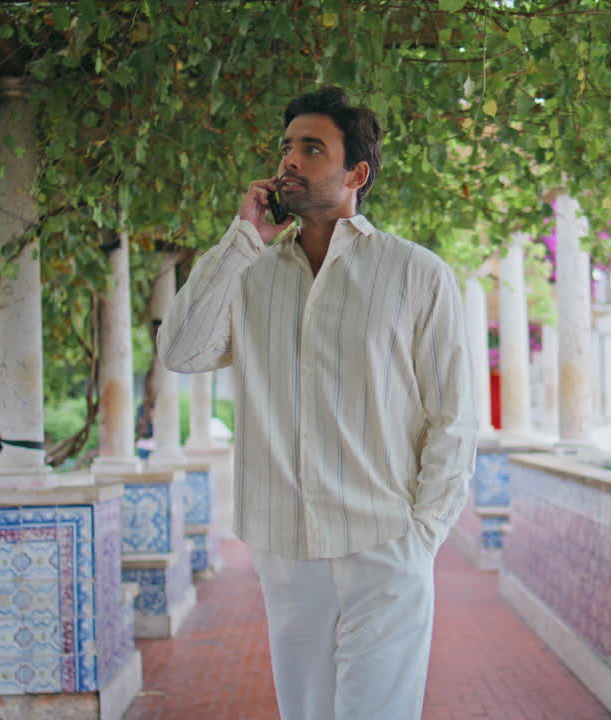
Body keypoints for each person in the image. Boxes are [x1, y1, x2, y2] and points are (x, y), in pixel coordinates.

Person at [158, 87, 478, 720]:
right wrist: (242, 238)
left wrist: (422, 538)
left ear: (356, 173)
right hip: (286, 548)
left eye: (312, 148)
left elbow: (453, 419)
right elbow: (183, 351)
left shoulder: (417, 275)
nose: (291, 162)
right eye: (286, 147)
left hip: (383, 543)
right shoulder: (250, 272)